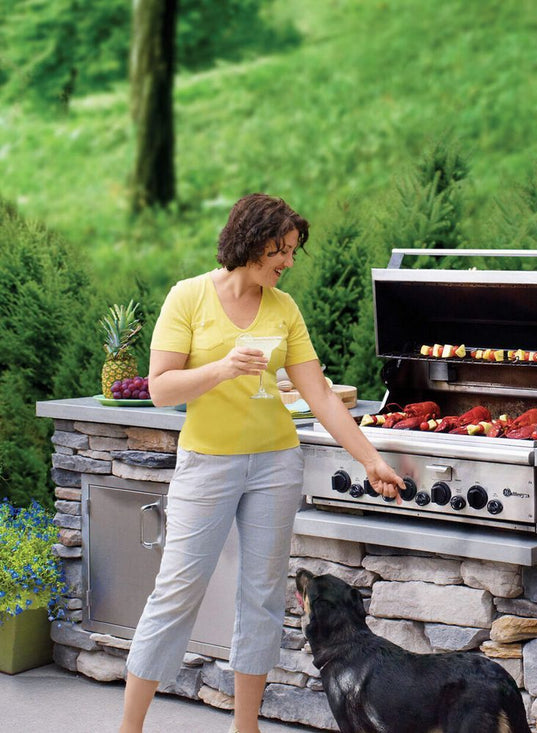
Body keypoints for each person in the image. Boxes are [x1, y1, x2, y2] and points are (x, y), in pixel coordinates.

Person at [119, 193, 403, 733]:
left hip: (275, 465)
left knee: (263, 598)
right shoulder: (188, 298)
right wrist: (223, 368)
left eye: (293, 251)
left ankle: (244, 727)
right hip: (207, 463)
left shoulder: (283, 308)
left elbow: (320, 395)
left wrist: (370, 459)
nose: (289, 261)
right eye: (282, 250)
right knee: (177, 593)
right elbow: (160, 389)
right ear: (252, 243)